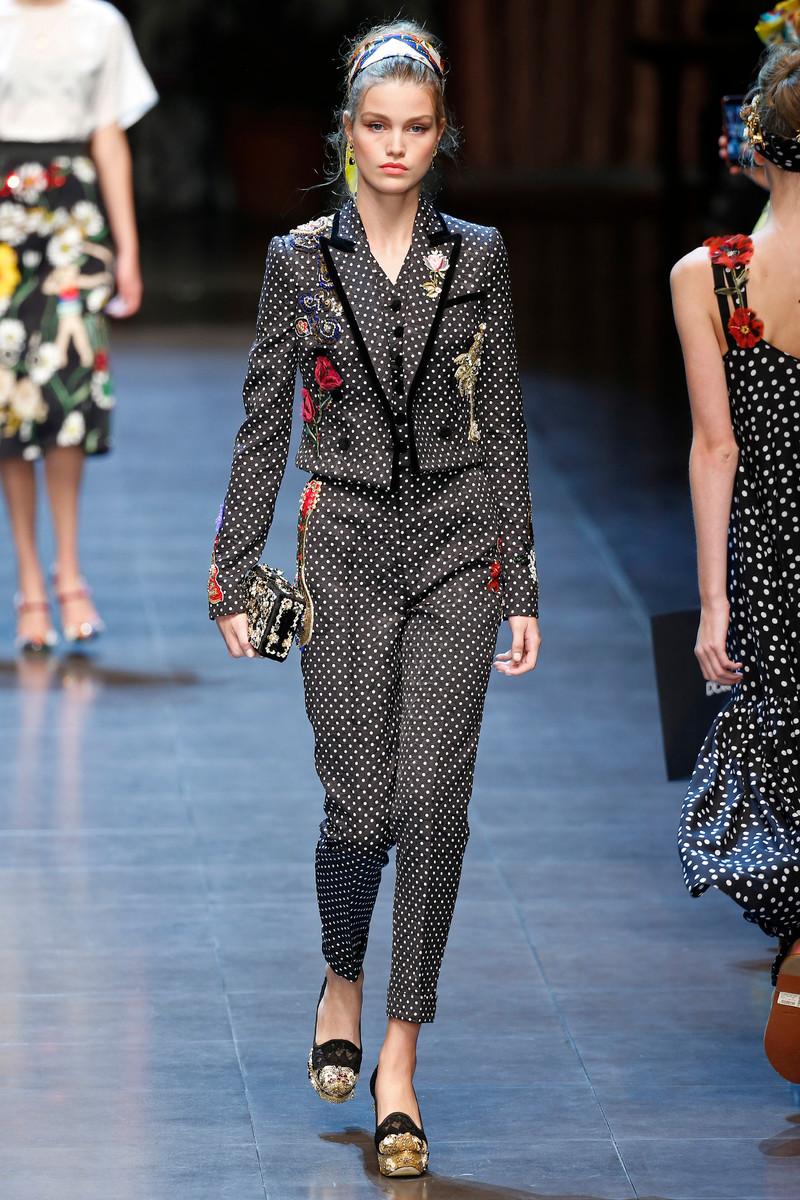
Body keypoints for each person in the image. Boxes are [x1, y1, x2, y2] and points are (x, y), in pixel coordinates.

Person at [210, 20, 540, 1178]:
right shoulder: (298, 259)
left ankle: (399, 1058)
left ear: (441, 135)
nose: (395, 146)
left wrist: (520, 578)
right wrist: (233, 569)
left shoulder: (478, 257)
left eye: (416, 127)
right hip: (343, 542)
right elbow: (265, 418)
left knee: (433, 805)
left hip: (457, 543)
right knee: (358, 805)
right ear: (344, 131)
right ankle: (340, 976)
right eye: (375, 124)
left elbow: (502, 417)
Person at [671, 40, 800, 1084]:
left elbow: (714, 447)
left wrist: (711, 603)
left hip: (768, 559)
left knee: (775, 766)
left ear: (750, 144)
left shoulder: (707, 276)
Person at [0, 0, 157, 651]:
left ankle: (68, 568)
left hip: (72, 217)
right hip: (4, 218)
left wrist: (128, 249)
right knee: (9, 399)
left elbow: (108, 136)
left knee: (67, 390)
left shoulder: (100, 22)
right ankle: (29, 581)